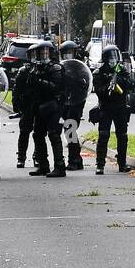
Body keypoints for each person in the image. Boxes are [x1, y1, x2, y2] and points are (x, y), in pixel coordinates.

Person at [92, 45, 133, 175]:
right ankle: (100, 165)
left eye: (115, 58)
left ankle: (122, 163)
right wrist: (109, 85)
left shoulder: (122, 71)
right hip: (106, 107)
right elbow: (99, 91)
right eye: (110, 58)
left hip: (120, 107)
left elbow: (131, 86)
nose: (113, 61)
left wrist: (121, 81)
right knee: (103, 135)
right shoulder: (99, 73)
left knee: (122, 136)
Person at [28, 41, 67, 178]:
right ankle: (43, 165)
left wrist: (40, 81)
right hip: (39, 106)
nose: (44, 55)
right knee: (37, 135)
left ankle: (59, 166)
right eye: (42, 52)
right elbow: (30, 88)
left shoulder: (56, 68)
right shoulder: (35, 68)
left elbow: (56, 87)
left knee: (54, 135)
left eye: (46, 52)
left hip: (53, 106)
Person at [58, 40, 86, 171]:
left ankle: (73, 159)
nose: (68, 56)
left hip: (76, 102)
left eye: (70, 53)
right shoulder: (61, 67)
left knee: (70, 128)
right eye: (66, 53)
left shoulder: (80, 68)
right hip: (64, 102)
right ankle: (77, 159)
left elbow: (84, 84)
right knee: (69, 129)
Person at [12, 46, 38, 169]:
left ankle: (37, 156)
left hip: (39, 105)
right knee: (24, 132)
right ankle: (21, 157)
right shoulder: (23, 71)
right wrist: (16, 104)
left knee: (39, 133)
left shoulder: (43, 69)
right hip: (27, 105)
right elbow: (16, 89)